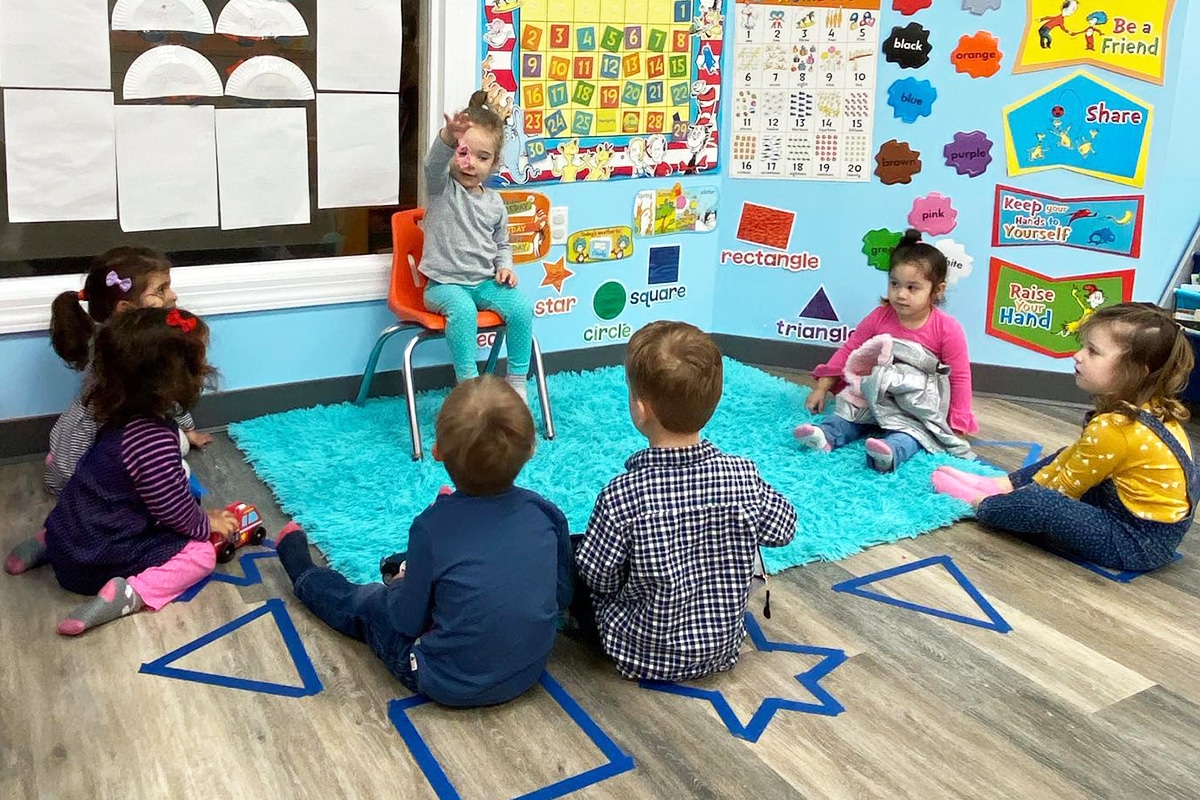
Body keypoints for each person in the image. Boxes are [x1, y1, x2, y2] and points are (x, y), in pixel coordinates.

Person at [274, 376, 572, 707]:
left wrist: (400, 586)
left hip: (446, 679)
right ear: (531, 450)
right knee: (461, 569)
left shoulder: (429, 530)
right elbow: (561, 596)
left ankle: (304, 574)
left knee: (371, 600)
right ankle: (427, 553)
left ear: (438, 453)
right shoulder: (546, 513)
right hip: (528, 669)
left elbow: (405, 621)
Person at [573, 321, 797, 682]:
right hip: (723, 647)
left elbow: (598, 578)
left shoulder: (623, 495)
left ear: (641, 410)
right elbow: (784, 528)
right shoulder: (741, 476)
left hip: (637, 650)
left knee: (575, 552)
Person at [4, 308, 237, 635]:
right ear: (172, 380)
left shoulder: (116, 415)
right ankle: (131, 594)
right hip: (96, 563)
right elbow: (172, 510)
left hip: (67, 537)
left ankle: (45, 543)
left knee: (91, 506)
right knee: (200, 554)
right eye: (198, 364)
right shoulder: (153, 441)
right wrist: (204, 522)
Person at [934, 303, 1197, 572]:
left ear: (1136, 371)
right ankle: (1001, 484)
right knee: (1068, 453)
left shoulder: (1116, 427)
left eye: (1093, 351)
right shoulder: (1148, 408)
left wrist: (1021, 503)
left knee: (1043, 505)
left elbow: (1061, 492)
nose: (1078, 355)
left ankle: (982, 503)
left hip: (1137, 542)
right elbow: (1074, 463)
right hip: (1136, 517)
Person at [794, 229, 978, 472]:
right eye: (894, 284)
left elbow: (960, 376)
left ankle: (890, 452)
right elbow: (851, 350)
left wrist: (957, 422)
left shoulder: (947, 329)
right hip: (875, 392)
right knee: (849, 412)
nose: (900, 294)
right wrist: (823, 387)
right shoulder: (880, 316)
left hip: (915, 400)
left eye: (913, 288)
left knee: (915, 432)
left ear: (937, 290)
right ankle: (827, 435)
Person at [45, 246, 211, 495]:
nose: (173, 296)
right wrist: (188, 431)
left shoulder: (111, 339)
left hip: (74, 447)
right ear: (126, 308)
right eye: (161, 290)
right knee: (179, 457)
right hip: (84, 464)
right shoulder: (137, 358)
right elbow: (169, 396)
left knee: (178, 444)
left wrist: (188, 430)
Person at [420, 91, 534, 402]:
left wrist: (505, 267)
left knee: (522, 307)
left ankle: (516, 381)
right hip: (443, 285)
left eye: (482, 157)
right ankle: (468, 385)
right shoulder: (442, 188)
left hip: (483, 283)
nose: (471, 164)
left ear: (495, 163)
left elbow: (502, 244)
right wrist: (447, 137)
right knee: (463, 309)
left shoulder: (495, 203)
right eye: (463, 153)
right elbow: (432, 165)